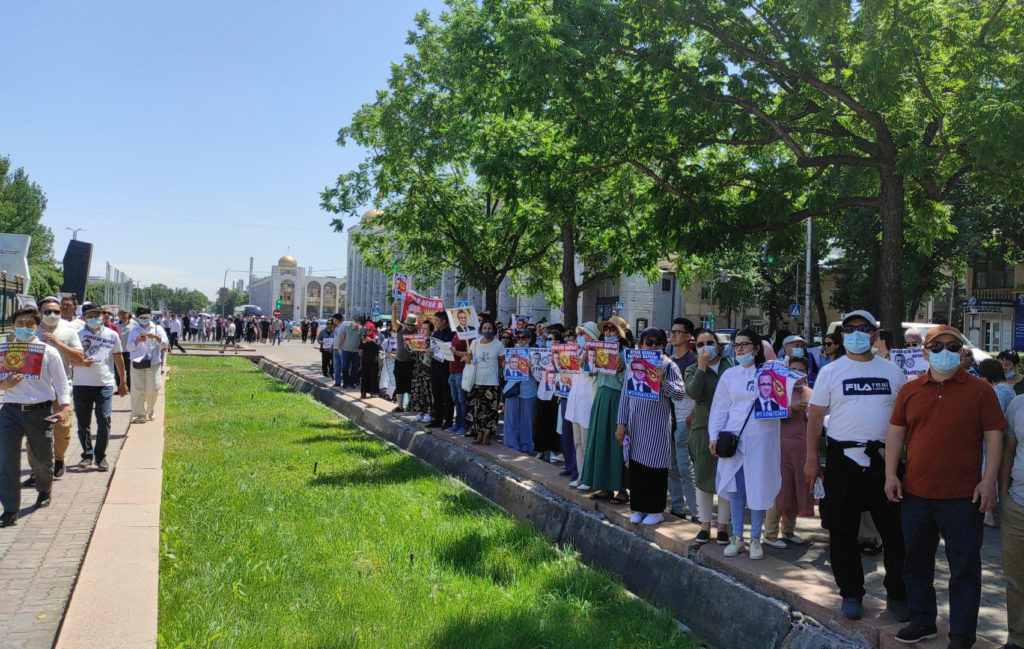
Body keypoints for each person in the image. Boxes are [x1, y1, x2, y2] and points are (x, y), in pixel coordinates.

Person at [885, 324, 1004, 648]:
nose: (945, 353)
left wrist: (988, 481)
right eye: (937, 348)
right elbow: (896, 432)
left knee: (964, 569)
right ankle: (923, 621)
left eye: (952, 347)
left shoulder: (981, 391)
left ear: (962, 352)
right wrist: (890, 475)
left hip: (964, 498)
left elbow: (994, 436)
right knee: (915, 564)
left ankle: (962, 635)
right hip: (916, 495)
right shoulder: (910, 391)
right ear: (924, 353)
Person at [805, 309, 908, 622]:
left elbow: (904, 420)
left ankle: (898, 593)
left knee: (895, 534)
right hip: (842, 461)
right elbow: (815, 417)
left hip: (883, 462)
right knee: (841, 531)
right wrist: (812, 458)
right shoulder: (831, 372)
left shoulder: (892, 372)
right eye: (850, 328)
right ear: (842, 335)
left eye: (863, 328)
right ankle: (851, 592)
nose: (856, 333)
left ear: (876, 335)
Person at [708, 329, 782, 561]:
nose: (740, 349)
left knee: (758, 487)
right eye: (736, 345)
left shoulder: (770, 373)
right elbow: (720, 408)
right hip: (733, 439)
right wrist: (714, 436)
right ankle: (737, 537)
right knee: (736, 488)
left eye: (745, 345)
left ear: (757, 348)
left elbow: (782, 398)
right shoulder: (730, 375)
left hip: (762, 438)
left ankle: (756, 540)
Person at [0, 306, 72, 527]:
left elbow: (60, 382)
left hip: (39, 411)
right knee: (6, 460)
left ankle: (44, 489)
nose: (24, 328)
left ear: (37, 326)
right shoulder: (5, 351)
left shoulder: (48, 352)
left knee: (42, 459)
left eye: (29, 325)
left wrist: (65, 406)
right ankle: (10, 509)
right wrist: (3, 385)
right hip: (10, 411)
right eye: (20, 324)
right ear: (13, 326)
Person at [615, 327, 687, 526]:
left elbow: (680, 393)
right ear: (641, 344)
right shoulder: (634, 364)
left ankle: (656, 509)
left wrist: (663, 380)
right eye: (649, 342)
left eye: (657, 342)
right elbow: (625, 396)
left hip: (657, 425)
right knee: (637, 467)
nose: (653, 346)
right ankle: (638, 506)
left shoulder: (668, 365)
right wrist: (621, 423)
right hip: (635, 424)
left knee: (655, 468)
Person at [23, 296, 85, 486]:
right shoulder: (29, 331)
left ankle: (59, 458)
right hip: (34, 391)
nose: (52, 315)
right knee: (34, 434)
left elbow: (80, 357)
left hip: (61, 390)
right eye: (47, 312)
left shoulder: (69, 331)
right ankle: (36, 471)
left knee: (62, 430)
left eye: (56, 312)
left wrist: (57, 343)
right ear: (39, 313)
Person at [685, 328, 734, 544]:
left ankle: (723, 526)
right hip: (703, 429)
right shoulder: (692, 369)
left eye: (710, 342)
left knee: (726, 479)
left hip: (729, 430)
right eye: (701, 344)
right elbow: (693, 392)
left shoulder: (730, 366)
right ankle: (705, 525)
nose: (706, 347)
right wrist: (702, 368)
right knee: (703, 479)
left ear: (718, 345)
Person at [580, 315, 631, 503]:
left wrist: (619, 369)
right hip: (601, 396)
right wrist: (587, 360)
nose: (609, 332)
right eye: (607, 329)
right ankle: (604, 486)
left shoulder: (626, 353)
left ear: (620, 334)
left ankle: (623, 489)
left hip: (618, 398)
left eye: (613, 329)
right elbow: (592, 372)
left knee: (618, 442)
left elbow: (630, 380)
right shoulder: (598, 349)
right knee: (601, 440)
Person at [764, 355, 813, 548]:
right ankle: (770, 533)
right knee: (780, 490)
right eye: (793, 370)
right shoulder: (778, 390)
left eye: (801, 371)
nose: (797, 374)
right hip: (781, 447)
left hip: (803, 450)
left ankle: (789, 531)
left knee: (796, 488)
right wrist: (790, 408)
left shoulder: (810, 392)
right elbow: (768, 413)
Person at [73, 302, 128, 471]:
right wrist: (80, 362)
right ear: (84, 318)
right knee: (83, 422)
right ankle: (87, 454)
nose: (95, 319)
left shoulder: (111, 335)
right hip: (81, 383)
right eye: (91, 317)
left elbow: (119, 359)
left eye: (97, 316)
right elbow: (69, 359)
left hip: (104, 383)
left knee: (104, 419)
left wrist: (122, 382)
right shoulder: (76, 335)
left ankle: (101, 456)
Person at [665, 317, 700, 522]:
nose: (673, 335)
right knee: (672, 466)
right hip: (668, 419)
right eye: (672, 331)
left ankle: (696, 512)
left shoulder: (694, 360)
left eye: (678, 332)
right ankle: (678, 507)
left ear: (688, 336)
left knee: (686, 467)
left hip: (686, 418)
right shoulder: (666, 361)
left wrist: (693, 415)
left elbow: (699, 391)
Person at [1001, 394, 1024, 649]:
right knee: (1017, 578)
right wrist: (1003, 494)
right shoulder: (1018, 404)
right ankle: (1017, 639)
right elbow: (1009, 450)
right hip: (1018, 504)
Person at [566, 322, 598, 487]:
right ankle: (580, 474)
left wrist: (583, 365)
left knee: (586, 443)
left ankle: (588, 477)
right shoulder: (578, 351)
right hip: (575, 400)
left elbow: (594, 377)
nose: (582, 337)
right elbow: (571, 376)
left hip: (587, 401)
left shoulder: (597, 353)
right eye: (581, 334)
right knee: (577, 442)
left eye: (585, 334)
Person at [462, 321, 503, 445]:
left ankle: (487, 435)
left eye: (490, 328)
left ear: (494, 330)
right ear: (481, 330)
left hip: (491, 382)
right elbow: (470, 359)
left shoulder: (498, 344)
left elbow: (502, 362)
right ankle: (479, 434)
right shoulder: (474, 343)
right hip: (476, 381)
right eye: (485, 328)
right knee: (476, 409)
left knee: (490, 410)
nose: (487, 330)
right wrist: (465, 357)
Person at [127, 307, 168, 423]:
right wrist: (137, 341)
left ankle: (151, 410)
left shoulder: (157, 328)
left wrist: (155, 337)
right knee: (137, 390)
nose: (144, 320)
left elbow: (165, 343)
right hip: (137, 363)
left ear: (150, 316)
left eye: (146, 317)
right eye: (141, 318)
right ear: (137, 318)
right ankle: (140, 415)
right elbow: (128, 347)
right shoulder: (134, 330)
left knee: (154, 388)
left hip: (153, 362)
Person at [503, 329, 538, 453]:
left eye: (524, 337)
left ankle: (526, 446)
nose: (521, 340)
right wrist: (506, 366)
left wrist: (532, 366)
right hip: (512, 389)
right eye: (518, 337)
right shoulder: (511, 352)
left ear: (529, 339)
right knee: (511, 419)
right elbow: (506, 374)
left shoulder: (534, 353)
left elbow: (539, 376)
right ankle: (511, 445)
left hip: (528, 390)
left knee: (526, 421)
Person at [428, 311, 454, 430]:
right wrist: (429, 351)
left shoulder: (452, 334)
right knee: (436, 394)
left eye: (437, 320)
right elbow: (433, 348)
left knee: (447, 395)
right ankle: (437, 418)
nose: (435, 322)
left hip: (447, 368)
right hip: (435, 367)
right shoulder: (435, 334)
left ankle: (448, 420)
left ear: (444, 321)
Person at [391, 307, 418, 414]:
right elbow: (394, 321)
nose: (410, 327)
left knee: (410, 385)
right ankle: (400, 406)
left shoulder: (418, 333)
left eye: (412, 325)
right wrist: (394, 310)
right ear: (406, 323)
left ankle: (410, 406)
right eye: (408, 324)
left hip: (412, 363)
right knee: (399, 384)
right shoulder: (401, 329)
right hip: (399, 362)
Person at [409, 320, 435, 423]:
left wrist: (426, 349)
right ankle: (420, 412)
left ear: (430, 330)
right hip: (418, 370)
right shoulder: (418, 340)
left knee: (427, 392)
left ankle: (429, 413)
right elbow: (414, 356)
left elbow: (434, 355)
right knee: (418, 391)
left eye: (425, 328)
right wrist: (410, 347)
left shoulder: (432, 341)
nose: (423, 330)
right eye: (422, 328)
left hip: (428, 370)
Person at [358, 327, 381, 399]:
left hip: (374, 361)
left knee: (373, 377)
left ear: (373, 330)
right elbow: (360, 348)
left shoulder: (376, 338)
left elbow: (378, 347)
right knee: (364, 377)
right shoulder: (364, 338)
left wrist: (371, 341)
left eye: (370, 330)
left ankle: (373, 392)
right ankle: (363, 392)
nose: (368, 331)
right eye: (367, 330)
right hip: (365, 360)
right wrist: (363, 343)